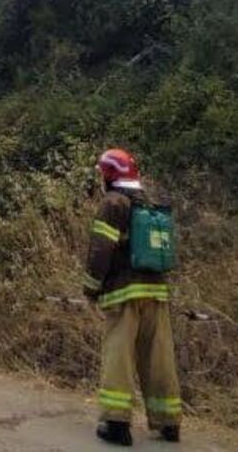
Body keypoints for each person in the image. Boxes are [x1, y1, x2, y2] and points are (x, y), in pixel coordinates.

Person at [84, 147, 183, 446]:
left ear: (109, 176)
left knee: (119, 356)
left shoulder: (113, 203)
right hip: (156, 291)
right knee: (159, 357)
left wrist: (91, 287)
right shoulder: (147, 203)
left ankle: (116, 424)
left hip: (124, 293)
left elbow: (101, 250)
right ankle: (168, 422)